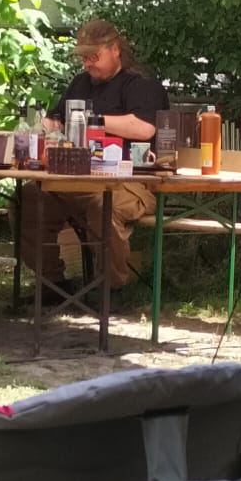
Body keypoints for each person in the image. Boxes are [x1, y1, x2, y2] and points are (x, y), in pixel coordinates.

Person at [21, 19, 165, 294]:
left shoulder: (141, 85)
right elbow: (55, 120)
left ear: (115, 50)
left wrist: (90, 119)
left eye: (93, 57)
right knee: (27, 198)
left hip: (128, 181)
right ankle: (52, 284)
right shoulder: (80, 84)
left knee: (103, 204)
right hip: (75, 178)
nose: (87, 64)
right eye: (83, 58)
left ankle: (110, 289)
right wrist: (41, 129)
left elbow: (144, 128)